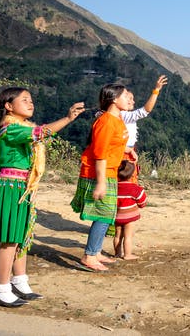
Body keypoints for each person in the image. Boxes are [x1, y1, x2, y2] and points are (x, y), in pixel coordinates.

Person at [0, 87, 85, 306]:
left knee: (22, 237)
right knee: (10, 240)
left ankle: (19, 281)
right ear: (9, 106)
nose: (31, 103)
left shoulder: (18, 127)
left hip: (21, 187)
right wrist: (68, 118)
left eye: (31, 100)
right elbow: (42, 133)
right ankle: (1, 288)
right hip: (11, 188)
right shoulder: (10, 128)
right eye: (25, 100)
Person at [71, 83, 131, 272]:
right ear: (114, 99)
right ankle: (89, 255)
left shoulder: (117, 118)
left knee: (107, 214)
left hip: (109, 171)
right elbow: (100, 154)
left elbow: (113, 144)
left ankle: (95, 252)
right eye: (126, 96)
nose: (131, 99)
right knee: (102, 214)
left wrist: (127, 150)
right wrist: (101, 183)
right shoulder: (106, 121)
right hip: (100, 173)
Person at [120, 75, 168, 183]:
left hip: (129, 150)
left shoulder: (124, 115)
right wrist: (156, 91)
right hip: (124, 152)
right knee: (127, 181)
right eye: (129, 99)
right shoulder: (122, 115)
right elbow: (145, 110)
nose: (133, 102)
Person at [112, 160, 148, 260]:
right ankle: (127, 255)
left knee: (117, 235)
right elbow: (142, 203)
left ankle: (117, 254)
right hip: (130, 217)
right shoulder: (136, 189)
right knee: (128, 236)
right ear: (132, 175)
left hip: (117, 216)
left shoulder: (114, 188)